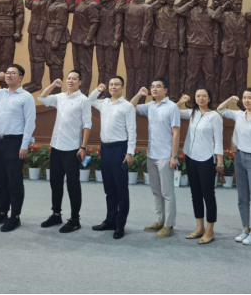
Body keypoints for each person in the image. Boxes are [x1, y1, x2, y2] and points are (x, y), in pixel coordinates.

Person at [0, 65, 36, 232]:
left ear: (21, 77)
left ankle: (15, 217)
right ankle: (2, 213)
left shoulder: (26, 97)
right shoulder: (1, 94)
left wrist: (24, 145)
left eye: (13, 73)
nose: (9, 76)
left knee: (14, 182)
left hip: (14, 142)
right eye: (8, 73)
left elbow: (30, 123)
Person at [37, 71, 92, 234]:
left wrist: (83, 147)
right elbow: (41, 98)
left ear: (80, 82)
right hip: (56, 146)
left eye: (74, 78)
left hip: (73, 149)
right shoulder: (60, 97)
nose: (70, 81)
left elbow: (87, 124)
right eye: (68, 78)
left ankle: (75, 219)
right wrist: (53, 85)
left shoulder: (83, 100)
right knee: (55, 182)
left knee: (72, 185)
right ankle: (56, 214)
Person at [217, 88, 251, 245]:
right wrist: (230, 99)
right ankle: (246, 228)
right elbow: (220, 109)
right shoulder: (239, 115)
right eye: (244, 97)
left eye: (250, 97)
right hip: (240, 157)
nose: (247, 100)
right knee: (242, 197)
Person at [131, 77, 181, 239]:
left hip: (166, 155)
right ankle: (160, 221)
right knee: (156, 191)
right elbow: (130, 107)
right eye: (152, 86)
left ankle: (169, 225)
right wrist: (139, 94)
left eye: (158, 86)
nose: (154, 89)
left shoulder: (172, 107)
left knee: (167, 192)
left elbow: (176, 133)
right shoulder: (150, 106)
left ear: (165, 90)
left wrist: (174, 155)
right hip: (152, 154)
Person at [88, 76, 137, 240]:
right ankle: (110, 220)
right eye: (111, 84)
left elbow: (132, 130)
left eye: (117, 84)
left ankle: (120, 224)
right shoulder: (104, 103)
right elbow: (89, 100)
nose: (113, 87)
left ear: (122, 87)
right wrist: (98, 90)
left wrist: (130, 152)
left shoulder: (127, 106)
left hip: (120, 149)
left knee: (121, 189)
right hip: (105, 149)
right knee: (109, 188)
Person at [177, 88, 224, 244]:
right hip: (191, 157)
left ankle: (210, 230)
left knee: (208, 194)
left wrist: (220, 162)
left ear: (209, 98)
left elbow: (219, 141)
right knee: (195, 194)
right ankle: (199, 228)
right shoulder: (192, 113)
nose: (201, 98)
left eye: (204, 96)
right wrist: (181, 102)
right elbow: (172, 111)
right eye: (198, 96)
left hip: (206, 159)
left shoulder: (215, 116)